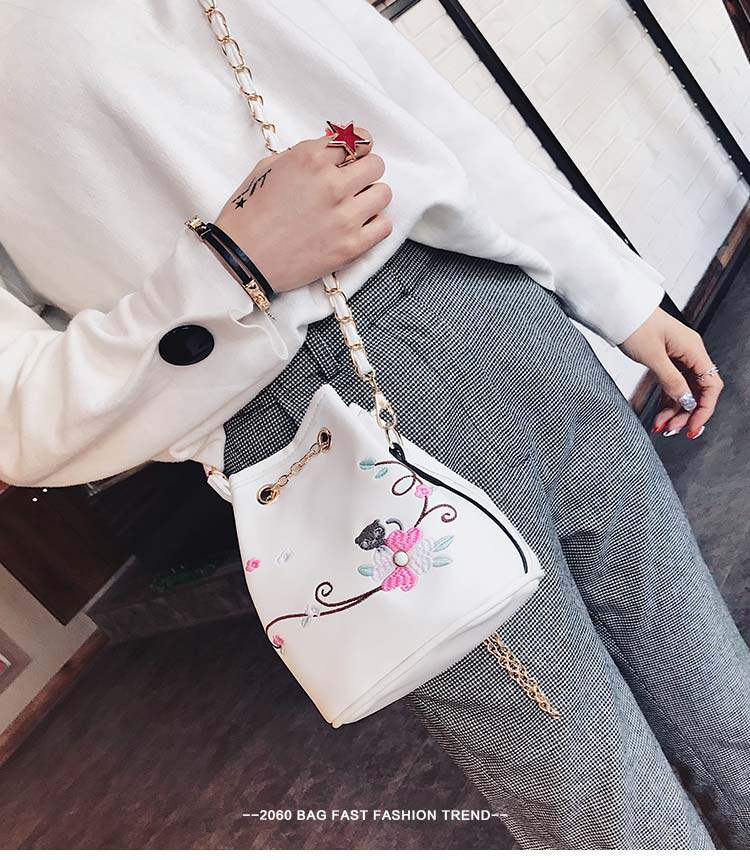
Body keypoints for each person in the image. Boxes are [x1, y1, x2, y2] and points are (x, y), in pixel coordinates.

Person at [0, 0, 747, 849]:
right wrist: (229, 271)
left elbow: (403, 99)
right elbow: (17, 418)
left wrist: (613, 289)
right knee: (606, 807)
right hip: (304, 430)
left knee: (715, 686)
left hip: (487, 309)